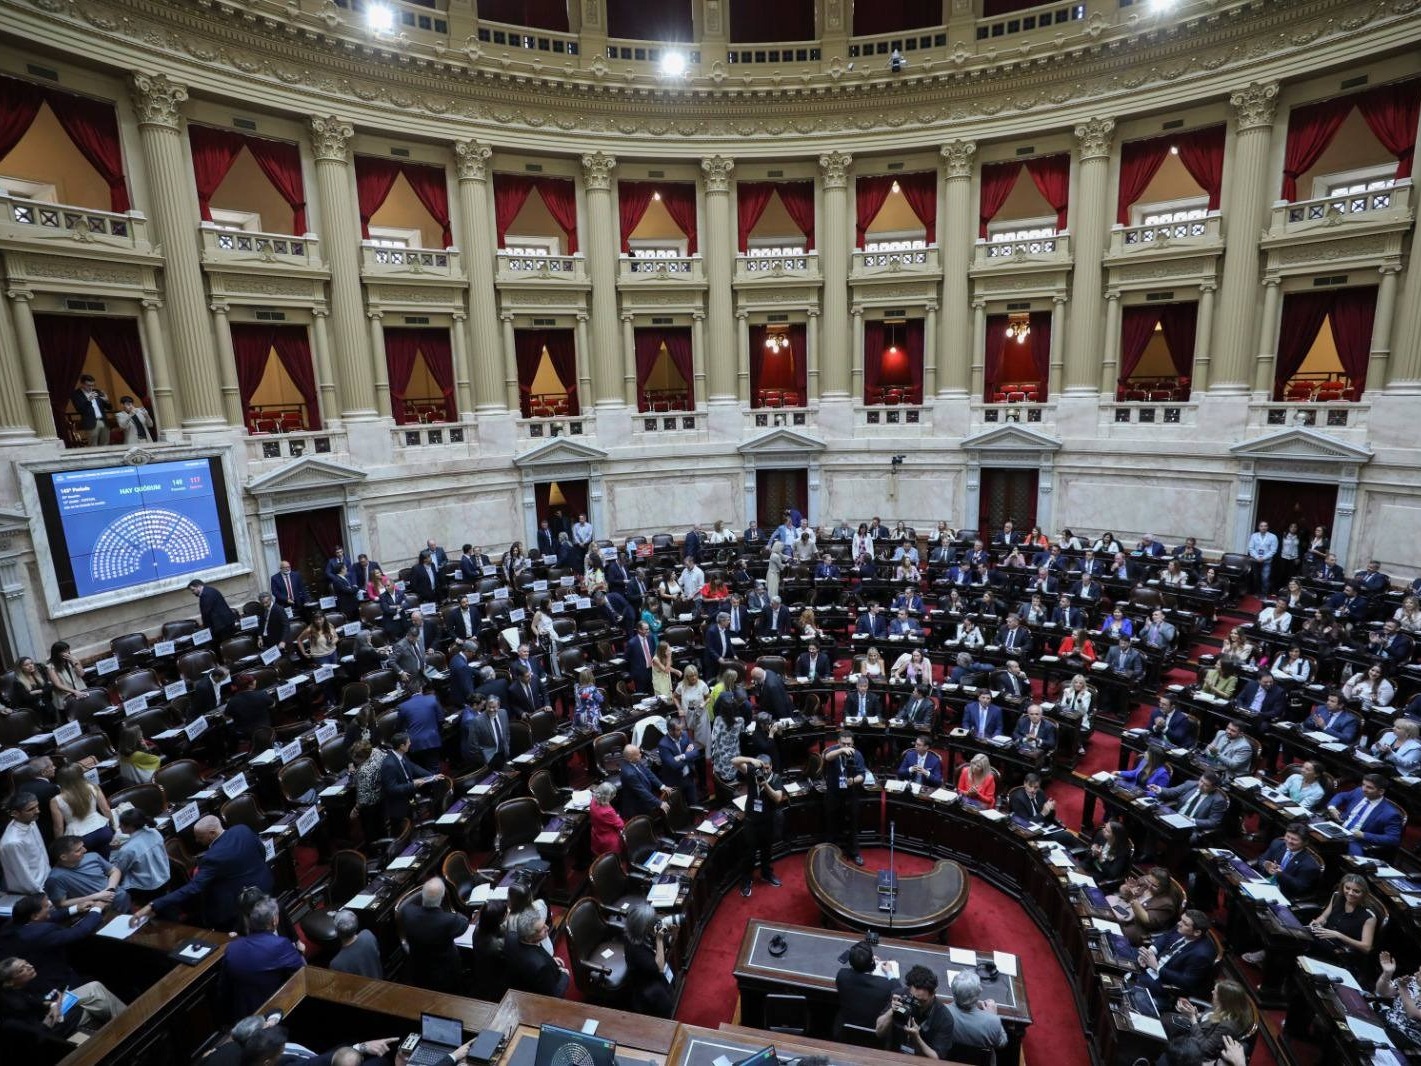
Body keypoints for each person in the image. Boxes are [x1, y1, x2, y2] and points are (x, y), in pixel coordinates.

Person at [133, 815, 273, 930]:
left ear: (212, 833)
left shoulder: (212, 858)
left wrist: (153, 905)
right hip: (265, 885)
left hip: (237, 906)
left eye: (200, 837)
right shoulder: (242, 829)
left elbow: (193, 888)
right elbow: (262, 851)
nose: (197, 840)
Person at [0, 953, 124, 1034]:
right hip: (53, 1026)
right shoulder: (14, 1004)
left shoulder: (21, 987)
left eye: (27, 963)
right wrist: (52, 1012)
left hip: (54, 1010)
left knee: (95, 987)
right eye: (22, 970)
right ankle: (126, 1021)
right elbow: (37, 1032)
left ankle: (124, 1022)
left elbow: (39, 1003)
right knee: (96, 997)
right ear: (9, 982)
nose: (30, 967)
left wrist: (53, 1005)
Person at [222, 896, 304, 1019]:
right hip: (274, 1010)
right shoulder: (280, 944)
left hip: (243, 1013)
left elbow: (224, 987)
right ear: (274, 921)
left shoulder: (232, 947)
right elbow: (301, 970)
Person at [399, 879, 468, 994]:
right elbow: (464, 921)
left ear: (422, 895)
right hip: (445, 974)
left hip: (418, 970)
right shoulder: (450, 921)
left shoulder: (407, 912)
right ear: (442, 897)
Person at [1134, 911, 1217, 1005]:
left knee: (1129, 984)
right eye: (1181, 920)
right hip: (1153, 962)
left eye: (1185, 923)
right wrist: (1150, 952)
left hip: (1163, 984)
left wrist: (1156, 967)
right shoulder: (1182, 929)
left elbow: (1186, 981)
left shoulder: (1201, 955)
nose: (1179, 923)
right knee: (1125, 954)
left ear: (1197, 932)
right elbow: (1166, 937)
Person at [877, 964, 955, 1059]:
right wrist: (891, 1011)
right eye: (913, 999)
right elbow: (879, 1032)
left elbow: (937, 1059)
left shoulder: (944, 1018)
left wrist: (917, 1038)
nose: (917, 1004)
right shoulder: (900, 996)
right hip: (893, 1057)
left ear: (933, 994)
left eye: (922, 1001)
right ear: (909, 989)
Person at [732, 754, 783, 897]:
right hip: (751, 821)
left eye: (767, 768)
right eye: (762, 769)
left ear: (771, 766)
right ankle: (746, 880)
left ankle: (766, 873)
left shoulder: (776, 778)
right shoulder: (752, 772)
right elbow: (734, 761)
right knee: (749, 854)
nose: (765, 771)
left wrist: (765, 785)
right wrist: (750, 760)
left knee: (767, 851)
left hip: (768, 821)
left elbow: (778, 798)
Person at [1164, 980, 1254, 1061]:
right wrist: (1196, 1014)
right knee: (1166, 1019)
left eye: (1215, 992)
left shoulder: (1228, 1026)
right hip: (1195, 1030)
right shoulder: (1224, 1007)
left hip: (1193, 1049)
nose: (1212, 992)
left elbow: (1205, 1049)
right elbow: (1209, 1018)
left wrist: (1193, 1019)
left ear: (1223, 999)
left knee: (1164, 1027)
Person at [43, 836, 128, 914]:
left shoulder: (93, 856)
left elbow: (114, 871)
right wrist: (96, 896)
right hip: (98, 911)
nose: (85, 850)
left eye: (83, 846)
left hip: (121, 899)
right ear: (64, 857)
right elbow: (61, 904)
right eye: (78, 850)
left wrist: (110, 889)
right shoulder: (55, 877)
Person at [1327, 773, 1404, 856]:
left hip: (1356, 840)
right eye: (1363, 785)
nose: (1364, 789)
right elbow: (1341, 796)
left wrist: (1364, 835)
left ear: (1381, 791)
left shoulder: (1390, 814)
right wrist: (1332, 808)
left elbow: (1393, 839)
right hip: (1339, 828)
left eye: (1369, 787)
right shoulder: (1358, 792)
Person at [379, 732, 443, 829]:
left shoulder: (402, 755)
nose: (410, 744)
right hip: (399, 806)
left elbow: (414, 767)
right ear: (402, 746)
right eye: (408, 742)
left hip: (409, 798)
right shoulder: (389, 765)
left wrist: (432, 776)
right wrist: (413, 785)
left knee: (413, 822)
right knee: (404, 829)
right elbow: (391, 789)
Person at [49, 763, 114, 858]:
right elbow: (106, 809)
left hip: (79, 839)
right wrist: (112, 825)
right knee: (106, 860)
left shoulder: (56, 801)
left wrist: (60, 847)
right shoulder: (93, 787)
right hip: (103, 831)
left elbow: (58, 827)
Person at [622, 902, 674, 1017]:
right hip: (645, 982)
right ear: (643, 928)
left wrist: (666, 936)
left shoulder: (643, 929)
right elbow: (659, 967)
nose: (654, 925)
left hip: (653, 970)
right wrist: (659, 940)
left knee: (670, 971)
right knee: (663, 1002)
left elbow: (659, 930)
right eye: (651, 924)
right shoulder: (635, 949)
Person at [835, 940, 895, 1038]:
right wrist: (889, 972)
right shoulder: (885, 986)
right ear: (872, 963)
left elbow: (852, 970)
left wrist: (862, 960)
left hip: (845, 1030)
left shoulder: (841, 975)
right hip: (874, 1034)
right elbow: (898, 990)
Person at [823, 731, 866, 865]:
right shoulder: (833, 751)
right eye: (843, 743)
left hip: (851, 793)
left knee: (853, 824)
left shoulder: (857, 754)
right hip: (834, 793)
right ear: (838, 742)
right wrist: (841, 751)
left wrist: (853, 780)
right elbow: (827, 757)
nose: (847, 746)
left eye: (849, 744)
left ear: (853, 743)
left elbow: (862, 775)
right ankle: (831, 853)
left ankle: (854, 853)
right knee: (832, 824)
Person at [110, 808, 170, 904]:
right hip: (165, 878)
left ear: (130, 827)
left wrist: (114, 850)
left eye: (121, 824)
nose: (119, 826)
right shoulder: (154, 832)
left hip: (147, 889)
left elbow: (118, 870)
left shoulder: (127, 849)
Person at [506, 907, 569, 997]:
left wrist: (551, 960)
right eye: (541, 929)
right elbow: (554, 994)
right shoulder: (541, 966)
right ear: (529, 938)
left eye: (544, 924)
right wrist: (565, 975)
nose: (547, 927)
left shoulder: (510, 936)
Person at [944, 969, 1007, 1052]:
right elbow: (1002, 1043)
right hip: (981, 1059)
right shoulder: (993, 1021)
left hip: (948, 1056)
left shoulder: (941, 1012)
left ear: (953, 991)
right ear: (979, 991)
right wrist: (992, 1015)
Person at [1154, 771, 1229, 841]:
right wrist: (1159, 789)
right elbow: (1173, 792)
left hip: (1191, 828)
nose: (1201, 785)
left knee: (1171, 833)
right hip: (1175, 818)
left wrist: (1191, 820)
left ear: (1214, 788)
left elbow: (1213, 822)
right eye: (1201, 781)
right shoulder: (1190, 784)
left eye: (1206, 785)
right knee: (1153, 820)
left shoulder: (1218, 800)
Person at [1, 793, 49, 895]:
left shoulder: (31, 821)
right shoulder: (12, 842)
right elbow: (23, 875)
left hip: (47, 880)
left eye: (37, 806)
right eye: (31, 809)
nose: (38, 811)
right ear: (15, 813)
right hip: (35, 891)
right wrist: (41, 894)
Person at [1375, 951, 1421, 1049]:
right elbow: (1383, 992)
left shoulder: (1405, 985)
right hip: (1387, 1018)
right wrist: (1387, 974)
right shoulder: (1413, 981)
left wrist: (1403, 988)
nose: (1416, 974)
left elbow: (1413, 1014)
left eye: (1420, 974)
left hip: (1407, 1037)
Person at [656, 717, 698, 805]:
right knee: (679, 807)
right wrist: (688, 755)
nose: (681, 731)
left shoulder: (685, 735)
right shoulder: (663, 744)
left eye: (681, 729)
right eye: (678, 730)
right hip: (675, 782)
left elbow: (696, 752)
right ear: (670, 731)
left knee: (694, 804)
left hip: (688, 777)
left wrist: (683, 756)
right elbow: (674, 765)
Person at [620, 744, 671, 817]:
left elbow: (648, 773)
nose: (640, 755)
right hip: (637, 805)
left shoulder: (635, 760)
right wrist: (659, 803)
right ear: (630, 758)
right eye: (638, 754)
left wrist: (662, 786)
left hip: (645, 795)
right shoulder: (629, 774)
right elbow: (642, 791)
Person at [328, 909, 381, 979]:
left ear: (336, 932)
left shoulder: (336, 964)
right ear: (356, 924)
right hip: (380, 981)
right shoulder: (368, 935)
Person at [71, 373, 111, 445]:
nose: (91, 387)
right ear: (82, 384)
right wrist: (88, 401)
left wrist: (107, 401)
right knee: (93, 445)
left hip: (103, 421)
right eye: (89, 385)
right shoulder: (76, 394)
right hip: (91, 423)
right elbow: (79, 409)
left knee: (105, 443)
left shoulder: (97, 392)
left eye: (93, 385)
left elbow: (109, 408)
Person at [590, 781, 624, 858]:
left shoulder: (593, 801)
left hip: (596, 835)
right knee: (613, 859)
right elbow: (620, 825)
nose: (614, 796)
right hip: (608, 840)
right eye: (612, 795)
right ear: (607, 796)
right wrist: (617, 816)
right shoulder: (608, 811)